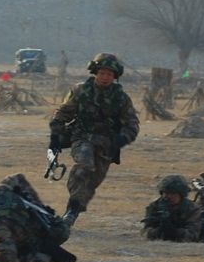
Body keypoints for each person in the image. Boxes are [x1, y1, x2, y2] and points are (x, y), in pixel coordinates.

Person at [48, 52, 140, 226]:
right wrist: (55, 137)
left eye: (109, 74)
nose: (105, 77)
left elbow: (132, 124)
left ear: (115, 77)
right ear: (95, 72)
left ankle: (74, 209)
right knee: (84, 166)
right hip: (81, 137)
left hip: (106, 145)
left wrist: (120, 140)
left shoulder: (121, 98)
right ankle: (71, 212)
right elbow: (63, 113)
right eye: (102, 73)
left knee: (91, 184)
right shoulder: (81, 91)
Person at [141, 175, 204, 243]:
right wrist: (160, 230)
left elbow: (192, 236)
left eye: (172, 193)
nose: (167, 196)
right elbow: (145, 232)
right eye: (165, 193)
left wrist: (174, 231)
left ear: (181, 194)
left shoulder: (192, 209)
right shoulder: (154, 206)